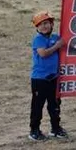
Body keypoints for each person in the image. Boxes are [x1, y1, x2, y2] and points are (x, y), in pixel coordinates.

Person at [29, 11, 67, 141]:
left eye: (46, 23)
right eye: (40, 25)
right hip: (40, 79)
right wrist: (57, 45)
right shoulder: (38, 39)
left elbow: (65, 45)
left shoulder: (56, 37)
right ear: (37, 27)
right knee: (37, 106)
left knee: (55, 105)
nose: (44, 26)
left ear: (51, 24)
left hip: (54, 77)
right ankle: (34, 131)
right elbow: (43, 53)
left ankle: (55, 129)